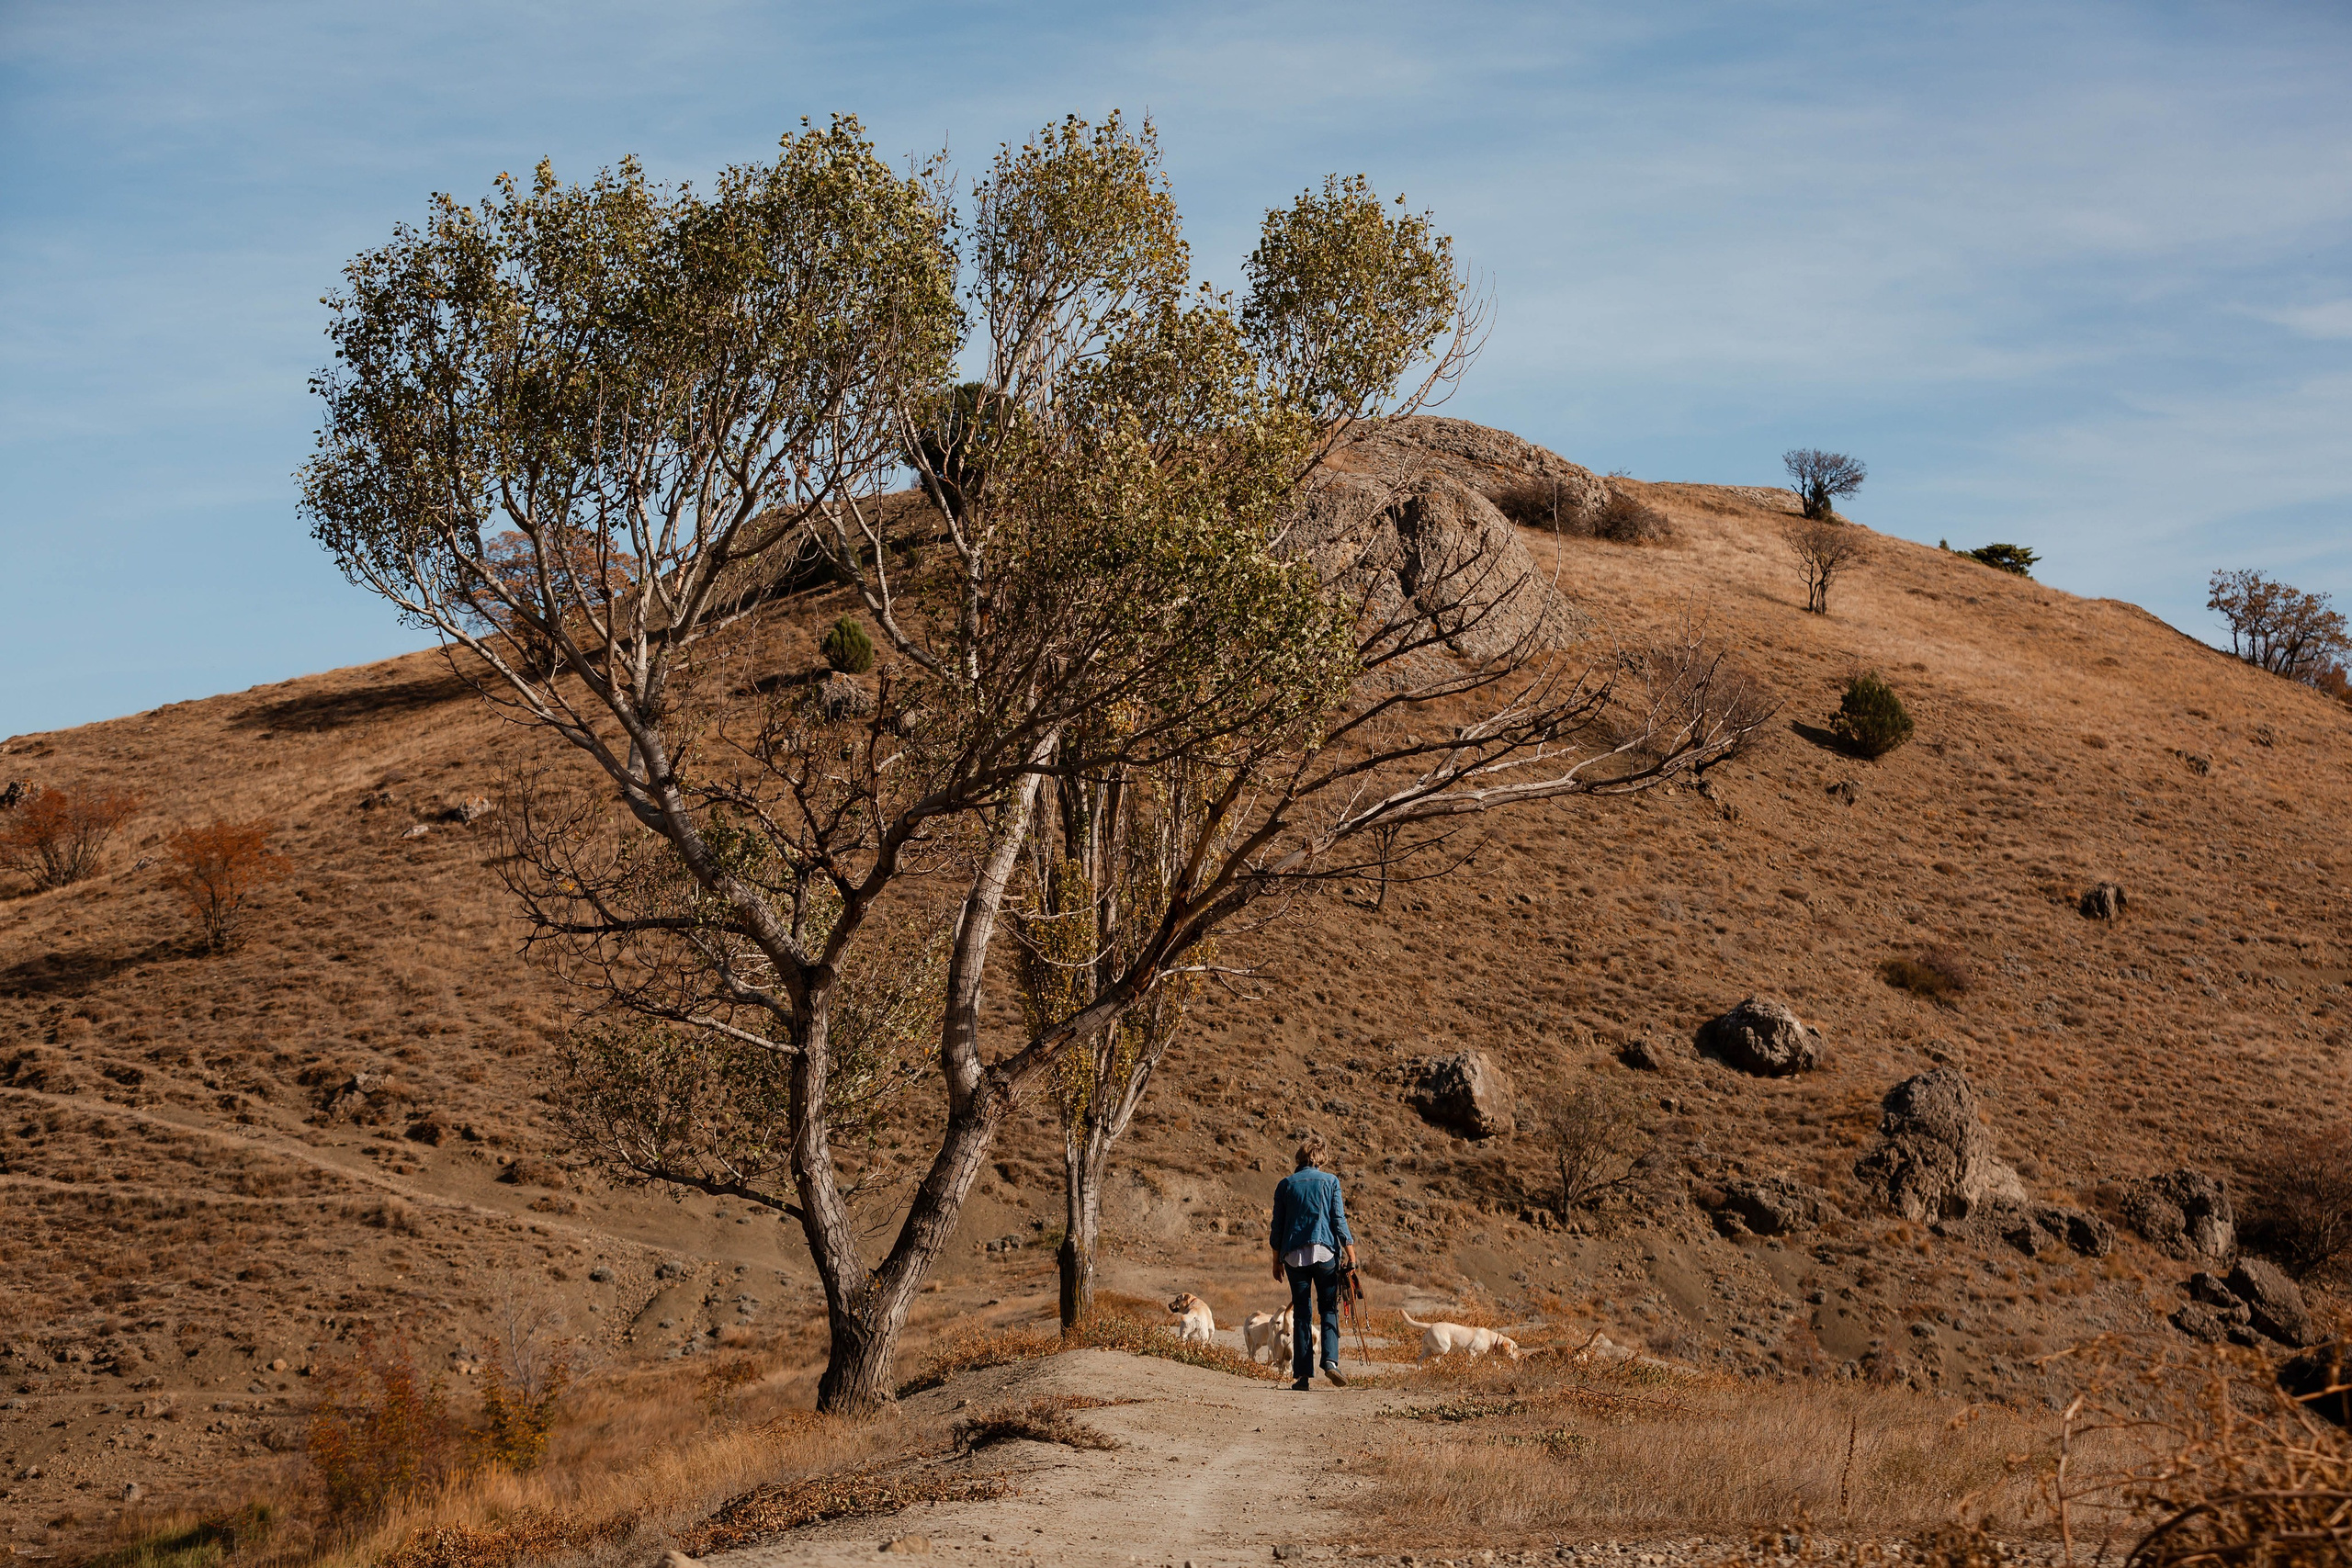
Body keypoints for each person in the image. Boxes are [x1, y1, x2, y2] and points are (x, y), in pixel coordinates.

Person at [1269, 1132, 1356, 1392]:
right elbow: (1339, 1221)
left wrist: (1276, 1261)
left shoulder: (1285, 1185)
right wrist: (1350, 1253)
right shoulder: (1330, 1181)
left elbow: (1277, 1227)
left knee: (1303, 1314)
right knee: (1329, 1308)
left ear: (1300, 1156)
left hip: (1294, 1257)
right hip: (1326, 1254)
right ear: (1321, 1158)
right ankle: (1330, 1361)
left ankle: (1302, 1377)